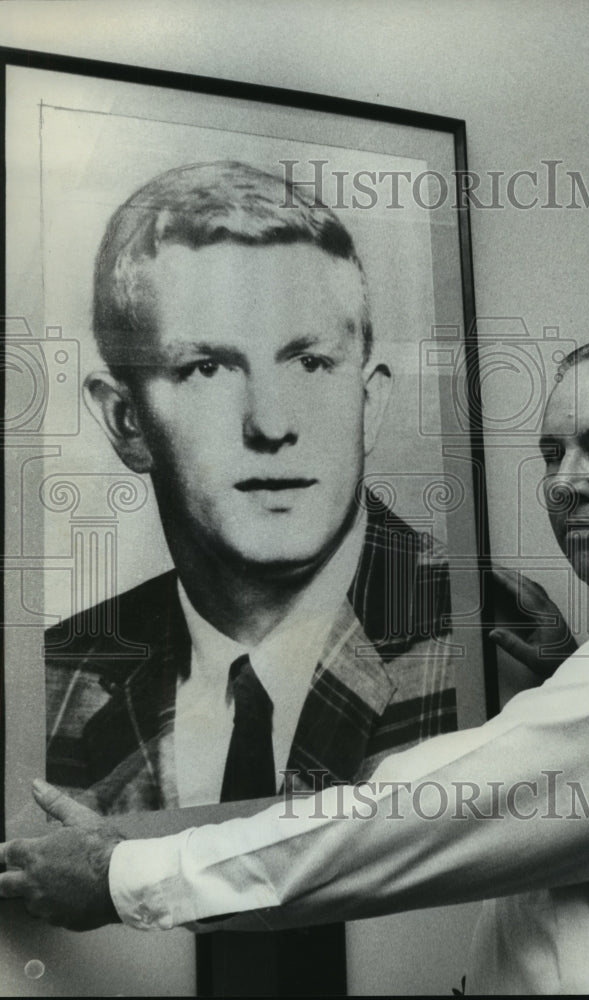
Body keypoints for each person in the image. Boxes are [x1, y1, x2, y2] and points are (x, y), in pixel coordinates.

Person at [0, 335, 589, 995]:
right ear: (126, 420)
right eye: (552, 453)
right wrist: (572, 675)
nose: (564, 481)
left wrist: (120, 877)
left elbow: (401, 824)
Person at [42, 161, 458, 816]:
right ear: (126, 421)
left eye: (311, 362)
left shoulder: (489, 635)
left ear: (369, 402)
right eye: (206, 368)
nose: (269, 423)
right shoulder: (55, 681)